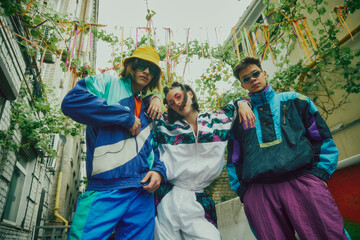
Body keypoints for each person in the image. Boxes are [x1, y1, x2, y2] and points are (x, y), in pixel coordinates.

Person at [227, 56, 350, 240]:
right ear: (243, 85)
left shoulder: (296, 101)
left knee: (329, 235)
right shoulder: (239, 118)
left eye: (255, 73)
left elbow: (322, 139)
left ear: (264, 73)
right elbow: (234, 159)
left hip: (303, 182)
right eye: (246, 78)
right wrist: (245, 192)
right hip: (260, 192)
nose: (252, 79)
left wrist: (320, 175)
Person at [61, 46, 167, 240]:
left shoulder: (149, 107)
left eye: (152, 69)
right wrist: (123, 117)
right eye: (142, 65)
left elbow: (157, 147)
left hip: (142, 192)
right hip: (105, 188)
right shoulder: (108, 83)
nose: (147, 71)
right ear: (132, 66)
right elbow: (71, 101)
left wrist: (159, 170)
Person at [152, 82, 255, 240]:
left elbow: (239, 101)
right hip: (168, 197)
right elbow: (142, 105)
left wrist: (242, 103)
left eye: (178, 97)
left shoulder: (217, 122)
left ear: (190, 94)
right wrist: (154, 99)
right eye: (170, 103)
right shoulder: (166, 125)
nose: (176, 103)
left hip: (198, 199)